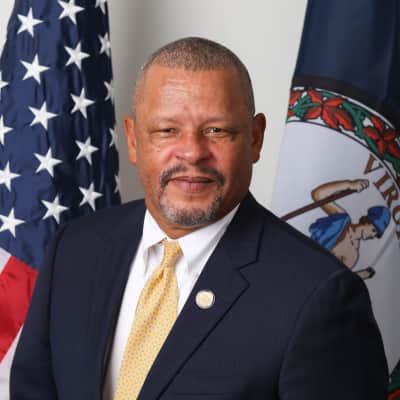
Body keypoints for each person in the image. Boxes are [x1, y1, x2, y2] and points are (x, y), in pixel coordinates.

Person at [10, 37, 388, 400]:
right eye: (167, 130)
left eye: (216, 130)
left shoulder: (320, 295)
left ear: (255, 139)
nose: (192, 152)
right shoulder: (75, 248)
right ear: (134, 140)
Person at [309, 179, 390, 269]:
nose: (372, 235)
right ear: (367, 221)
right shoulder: (342, 218)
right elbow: (318, 195)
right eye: (374, 230)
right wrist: (349, 185)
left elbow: (332, 275)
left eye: (376, 234)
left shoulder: (352, 255)